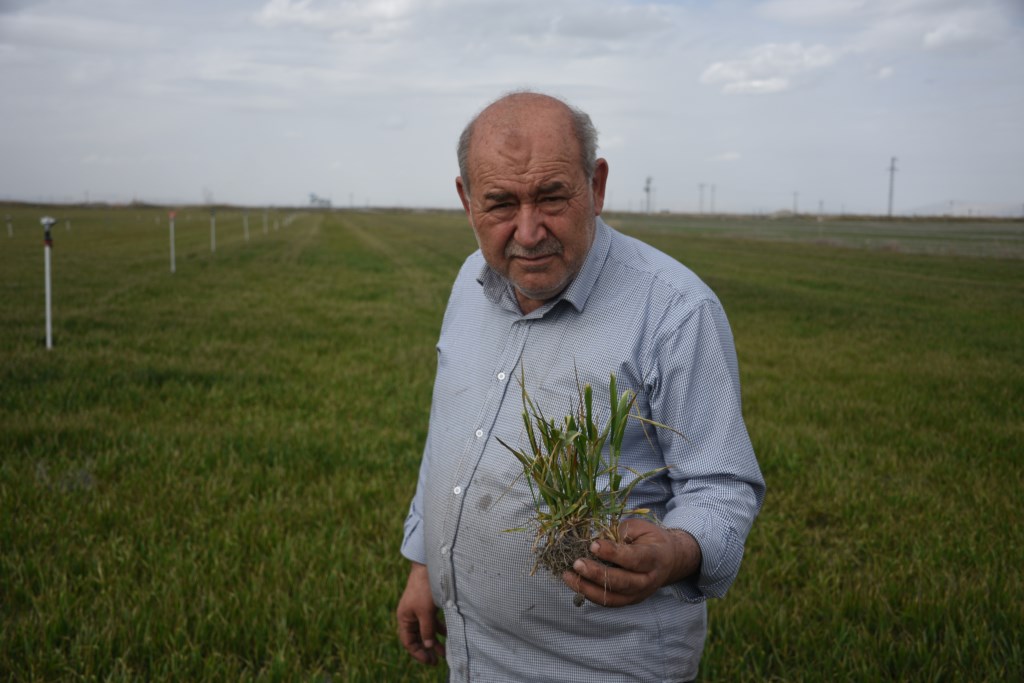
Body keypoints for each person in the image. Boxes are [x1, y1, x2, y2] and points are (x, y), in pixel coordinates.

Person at [397, 91, 765, 682]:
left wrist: (671, 552)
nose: (528, 230)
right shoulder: (471, 281)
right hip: (474, 654)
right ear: (467, 200)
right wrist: (424, 564)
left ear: (595, 186)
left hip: (604, 665)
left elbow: (723, 487)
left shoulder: (674, 309)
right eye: (499, 204)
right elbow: (453, 436)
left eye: (551, 197)